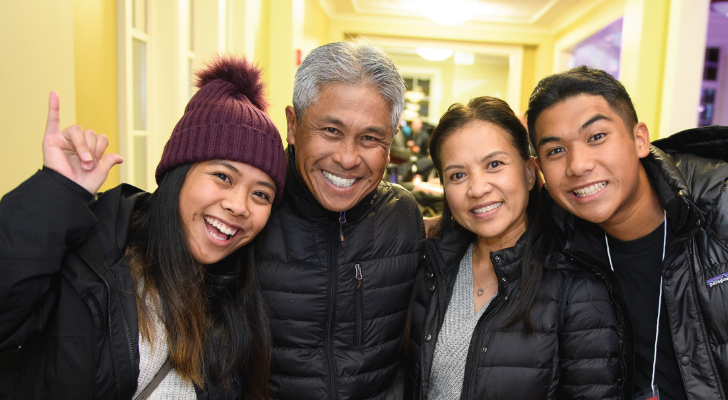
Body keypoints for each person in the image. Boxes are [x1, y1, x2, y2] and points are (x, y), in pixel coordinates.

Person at [0, 56, 286, 400]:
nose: (239, 206)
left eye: (260, 194)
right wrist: (57, 193)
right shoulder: (93, 253)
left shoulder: (237, 295)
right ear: (178, 174)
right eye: (223, 176)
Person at [527, 65, 728, 400]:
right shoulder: (555, 247)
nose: (578, 165)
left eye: (596, 137)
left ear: (639, 139)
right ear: (540, 169)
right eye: (556, 150)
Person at [405, 96, 626, 399]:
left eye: (494, 164)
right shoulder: (432, 267)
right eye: (458, 175)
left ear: (530, 172)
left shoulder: (577, 288)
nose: (478, 188)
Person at [258, 40, 425, 399]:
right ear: (292, 124)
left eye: (370, 138)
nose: (348, 159)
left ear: (391, 140)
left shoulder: (403, 216)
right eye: (331, 131)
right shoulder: (253, 209)